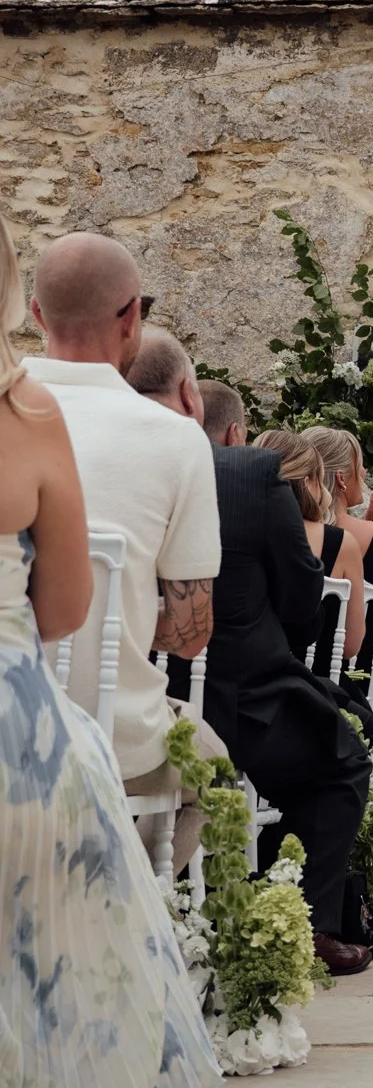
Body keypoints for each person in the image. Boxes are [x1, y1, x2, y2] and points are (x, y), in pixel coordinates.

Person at [0, 214, 217, 1088]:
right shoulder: (144, 434)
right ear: (131, 320)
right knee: (184, 763)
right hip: (63, 731)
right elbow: (178, 625)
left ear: (36, 313)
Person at [175, 383, 373, 977]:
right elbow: (300, 609)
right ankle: (304, 925)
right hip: (236, 701)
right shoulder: (249, 473)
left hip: (132, 696)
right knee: (342, 766)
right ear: (235, 434)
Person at [24, 238, 223, 831]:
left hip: (8, 730)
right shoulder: (176, 438)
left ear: (36, 315)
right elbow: (191, 638)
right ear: (133, 317)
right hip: (115, 739)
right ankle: (129, 908)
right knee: (216, 779)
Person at [303, 425, 373, 735]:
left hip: (306, 676)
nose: (363, 474)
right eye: (358, 468)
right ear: (341, 477)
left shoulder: (297, 536)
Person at [254, 429, 368, 667]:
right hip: (309, 682)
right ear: (308, 482)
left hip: (229, 679)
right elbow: (350, 646)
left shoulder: (232, 527)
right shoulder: (340, 543)